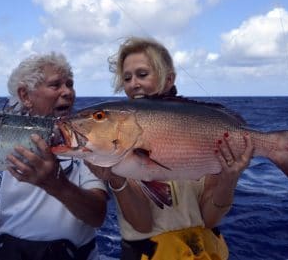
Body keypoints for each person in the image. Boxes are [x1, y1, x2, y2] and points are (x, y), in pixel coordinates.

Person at [87, 36, 255, 260]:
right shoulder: (121, 142)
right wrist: (116, 180)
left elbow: (210, 219)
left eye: (142, 74)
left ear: (168, 79)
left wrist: (229, 178)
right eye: (127, 78)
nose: (133, 83)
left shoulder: (200, 130)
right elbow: (143, 224)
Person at [0, 52, 107, 260]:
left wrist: (55, 184)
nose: (68, 92)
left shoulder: (88, 140)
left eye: (70, 84)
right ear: (25, 95)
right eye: (56, 85)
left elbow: (97, 215)